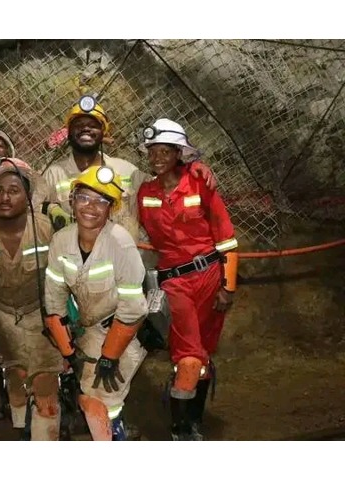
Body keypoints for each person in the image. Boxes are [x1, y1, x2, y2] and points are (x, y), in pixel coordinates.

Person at [136, 118, 239, 441]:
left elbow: (226, 238)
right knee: (189, 355)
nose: (157, 158)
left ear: (178, 153)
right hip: (174, 281)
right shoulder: (145, 192)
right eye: (152, 151)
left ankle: (194, 422)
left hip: (210, 276)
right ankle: (180, 430)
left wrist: (228, 286)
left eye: (165, 151)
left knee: (203, 352)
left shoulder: (200, 184)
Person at [43, 165, 148, 441]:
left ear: (111, 208)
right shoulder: (61, 241)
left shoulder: (120, 244)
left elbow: (133, 309)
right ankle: (113, 430)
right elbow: (54, 300)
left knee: (99, 400)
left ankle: (113, 434)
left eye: (101, 201)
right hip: (87, 330)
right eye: (84, 198)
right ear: (72, 201)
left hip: (121, 331)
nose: (91, 207)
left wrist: (110, 357)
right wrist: (68, 353)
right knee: (93, 397)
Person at [0, 158, 63, 440]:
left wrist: (62, 325)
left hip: (41, 317)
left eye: (14, 191)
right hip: (1, 318)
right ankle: (21, 432)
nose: (5, 198)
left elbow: (62, 282)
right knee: (16, 381)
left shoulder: (47, 229)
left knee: (45, 390)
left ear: (28, 196)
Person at [43, 95, 216, 242]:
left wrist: (189, 169)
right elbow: (34, 208)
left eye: (93, 125)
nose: (86, 129)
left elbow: (165, 182)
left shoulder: (126, 171)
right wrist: (51, 209)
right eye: (79, 125)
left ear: (103, 133)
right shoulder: (53, 174)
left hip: (124, 259)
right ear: (69, 131)